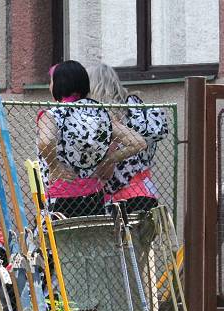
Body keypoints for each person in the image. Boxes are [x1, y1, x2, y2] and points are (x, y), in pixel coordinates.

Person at [36, 60, 146, 218]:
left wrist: (54, 165)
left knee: (56, 241)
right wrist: (109, 159)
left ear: (58, 85)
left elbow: (45, 141)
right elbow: (137, 142)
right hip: (94, 198)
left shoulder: (52, 115)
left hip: (60, 196)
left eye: (51, 81)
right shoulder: (99, 116)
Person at [87, 62, 168, 213]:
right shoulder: (133, 110)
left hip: (118, 197)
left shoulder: (102, 117)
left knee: (121, 236)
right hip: (144, 189)